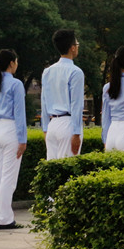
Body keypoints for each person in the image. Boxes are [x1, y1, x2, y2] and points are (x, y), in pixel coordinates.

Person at [0, 49, 27, 230]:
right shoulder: (16, 84)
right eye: (16, 61)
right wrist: (22, 139)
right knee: (8, 177)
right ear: (11, 63)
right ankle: (5, 219)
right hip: (10, 130)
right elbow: (19, 114)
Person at [41, 29, 85, 160]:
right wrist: (77, 133)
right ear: (72, 48)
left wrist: (45, 128)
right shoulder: (76, 72)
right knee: (67, 171)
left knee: (52, 173)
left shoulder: (47, 71)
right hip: (68, 124)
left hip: (52, 125)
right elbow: (76, 104)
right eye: (77, 44)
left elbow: (44, 102)